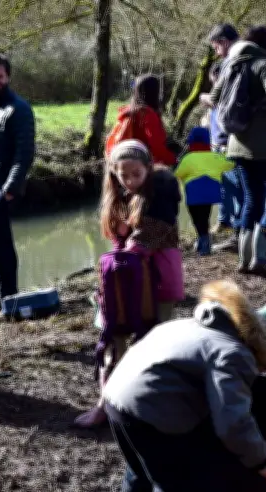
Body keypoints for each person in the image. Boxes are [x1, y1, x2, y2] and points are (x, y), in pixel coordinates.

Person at [103, 280, 266, 492]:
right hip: (150, 408)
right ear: (265, 348)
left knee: (140, 469)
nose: (262, 370)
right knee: (174, 488)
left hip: (117, 395)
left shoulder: (199, 326)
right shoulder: (235, 354)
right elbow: (232, 421)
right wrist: (263, 462)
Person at [74, 141, 184, 429]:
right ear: (114, 172)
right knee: (114, 336)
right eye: (124, 175)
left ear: (148, 168)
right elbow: (118, 240)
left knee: (157, 343)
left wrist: (126, 256)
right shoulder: (116, 195)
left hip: (159, 277)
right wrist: (111, 276)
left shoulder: (162, 190)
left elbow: (153, 230)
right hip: (124, 276)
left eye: (137, 174)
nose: (131, 181)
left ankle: (154, 406)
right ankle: (105, 405)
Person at [208, 26, 266, 278]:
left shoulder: (231, 63)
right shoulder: (263, 64)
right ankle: (260, 258)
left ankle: (244, 260)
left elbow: (214, 97)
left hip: (236, 143)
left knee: (251, 198)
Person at [0, 54, 36, 313]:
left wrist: (11, 189)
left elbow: (24, 154)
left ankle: (9, 296)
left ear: (8, 77)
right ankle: (7, 297)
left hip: (3, 186)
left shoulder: (19, 109)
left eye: (0, 76)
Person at [202, 25, 245, 254]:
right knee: (227, 189)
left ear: (224, 41)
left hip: (229, 145)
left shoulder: (233, 72)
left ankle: (240, 234)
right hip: (219, 145)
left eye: (216, 46)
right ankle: (229, 224)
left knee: (237, 190)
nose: (217, 52)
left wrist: (209, 99)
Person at [174, 127, 235, 255]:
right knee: (205, 217)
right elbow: (230, 164)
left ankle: (204, 243)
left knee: (197, 219)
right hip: (210, 195)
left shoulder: (188, 158)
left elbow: (178, 174)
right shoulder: (215, 157)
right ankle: (203, 240)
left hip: (194, 195)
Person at [105, 74, 178, 167]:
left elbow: (112, 138)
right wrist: (172, 159)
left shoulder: (127, 112)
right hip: (141, 165)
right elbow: (156, 145)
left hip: (120, 162)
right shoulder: (148, 114)